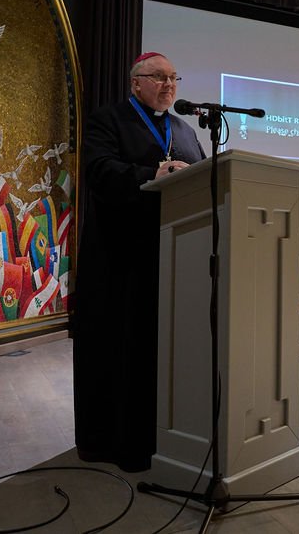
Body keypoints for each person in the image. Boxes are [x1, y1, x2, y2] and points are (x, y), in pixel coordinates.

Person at [74, 51, 206, 473]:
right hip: (120, 261)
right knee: (122, 352)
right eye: (159, 77)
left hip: (174, 261)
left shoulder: (185, 130)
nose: (169, 85)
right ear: (136, 82)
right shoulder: (108, 121)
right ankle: (118, 444)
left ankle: (167, 437)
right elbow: (99, 171)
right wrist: (151, 173)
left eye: (174, 78)